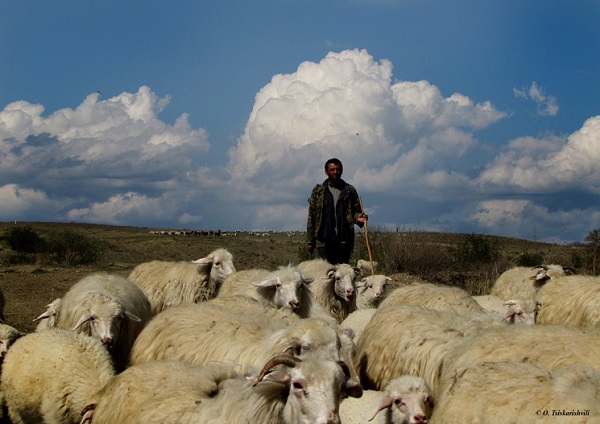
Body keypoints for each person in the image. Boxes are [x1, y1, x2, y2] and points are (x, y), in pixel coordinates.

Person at [306, 158, 368, 264]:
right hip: (324, 241)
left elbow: (355, 212)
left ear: (342, 171)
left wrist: (359, 218)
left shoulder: (349, 190)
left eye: (338, 169)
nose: (335, 172)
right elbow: (312, 216)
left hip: (344, 241)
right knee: (326, 274)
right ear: (326, 172)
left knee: (343, 275)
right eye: (332, 169)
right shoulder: (318, 191)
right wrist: (310, 241)